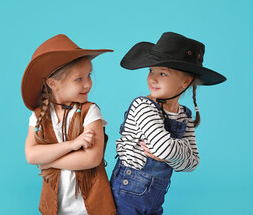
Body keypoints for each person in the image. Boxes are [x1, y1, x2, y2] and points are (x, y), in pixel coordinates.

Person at [110, 32, 226, 215]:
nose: (152, 79)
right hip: (128, 191)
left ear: (185, 82)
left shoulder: (184, 116)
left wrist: (168, 154)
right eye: (151, 71)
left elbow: (193, 163)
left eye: (162, 73)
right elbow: (165, 149)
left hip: (156, 195)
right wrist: (178, 152)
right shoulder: (143, 106)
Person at [22, 34, 116, 215]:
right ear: (52, 83)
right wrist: (71, 145)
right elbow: (31, 155)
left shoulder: (91, 112)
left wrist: (48, 162)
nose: (88, 84)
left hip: (90, 208)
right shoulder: (39, 115)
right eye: (78, 79)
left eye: (89, 76)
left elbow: (91, 159)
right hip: (55, 207)